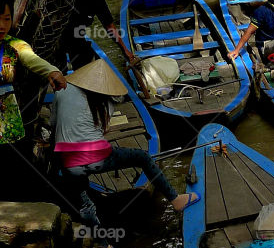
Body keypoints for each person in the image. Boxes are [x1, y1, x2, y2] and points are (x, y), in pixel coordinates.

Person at [51, 59, 196, 225]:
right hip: (97, 157)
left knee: (84, 200)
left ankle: (99, 235)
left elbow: (54, 125)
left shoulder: (61, 91)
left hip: (68, 161)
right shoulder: (106, 102)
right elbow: (102, 130)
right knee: (143, 157)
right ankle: (175, 199)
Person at [0, 0, 67, 200]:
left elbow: (31, 59)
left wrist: (51, 71)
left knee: (15, 171)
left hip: (10, 123)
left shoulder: (14, 45)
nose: (2, 25)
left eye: (7, 19)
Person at [65, 0, 135, 70]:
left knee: (92, 68)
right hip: (61, 39)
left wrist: (124, 49)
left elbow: (109, 26)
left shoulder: (97, 0)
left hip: (78, 39)